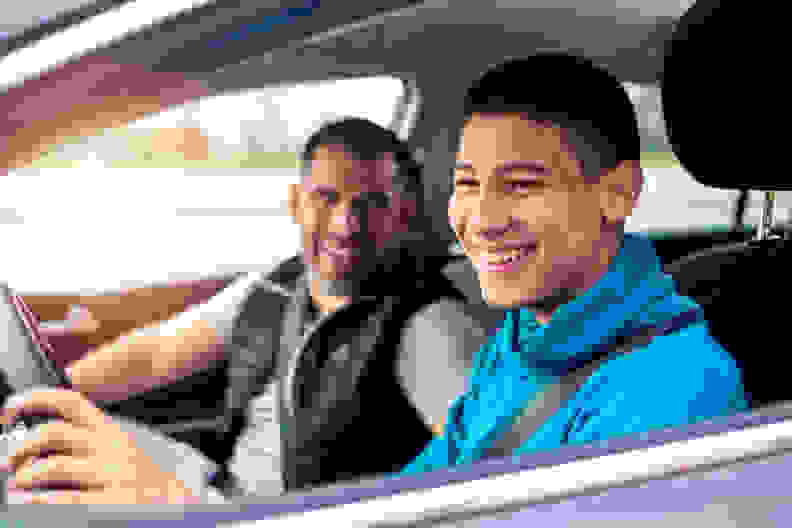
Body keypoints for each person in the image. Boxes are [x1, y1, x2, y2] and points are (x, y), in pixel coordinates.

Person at [0, 118, 489, 504]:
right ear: (296, 203)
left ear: (402, 215)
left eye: (372, 203)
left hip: (266, 514)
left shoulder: (431, 326)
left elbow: (505, 472)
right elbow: (155, 355)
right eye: (327, 198)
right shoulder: (279, 287)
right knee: (32, 463)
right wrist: (38, 402)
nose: (346, 223)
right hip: (213, 487)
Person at [396, 53, 749, 477]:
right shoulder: (516, 343)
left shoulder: (674, 389)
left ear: (618, 193)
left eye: (522, 185)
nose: (484, 220)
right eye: (468, 183)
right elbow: (423, 488)